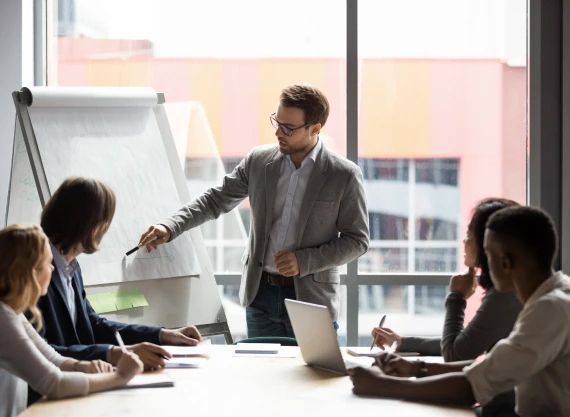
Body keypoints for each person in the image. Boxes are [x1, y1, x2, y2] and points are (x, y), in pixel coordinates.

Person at [138, 84, 369, 337]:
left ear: (315, 129)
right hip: (260, 295)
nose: (279, 133)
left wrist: (304, 261)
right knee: (260, 372)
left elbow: (357, 241)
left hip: (311, 300)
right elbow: (215, 199)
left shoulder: (343, 175)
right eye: (277, 123)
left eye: (288, 128)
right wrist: (171, 226)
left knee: (312, 374)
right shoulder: (259, 161)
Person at [349, 206, 570, 417]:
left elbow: (470, 388)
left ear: (504, 262)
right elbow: (491, 364)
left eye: (487, 253)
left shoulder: (549, 309)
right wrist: (416, 367)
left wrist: (381, 385)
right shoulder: (555, 294)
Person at [37, 177, 202, 371]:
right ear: (89, 224)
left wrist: (164, 335)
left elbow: (94, 325)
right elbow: (41, 352)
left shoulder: (71, 267)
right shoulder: (34, 270)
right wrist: (116, 354)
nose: (105, 229)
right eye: (104, 221)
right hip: (48, 391)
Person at [0, 224, 143, 417]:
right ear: (32, 271)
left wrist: (82, 366)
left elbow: (51, 358)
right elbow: (54, 384)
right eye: (48, 263)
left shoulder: (11, 313)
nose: (52, 269)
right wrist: (120, 376)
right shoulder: (3, 318)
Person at [372, 198, 522, 361]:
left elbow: (454, 354)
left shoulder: (504, 296)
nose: (464, 241)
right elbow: (464, 344)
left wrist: (456, 297)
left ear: (489, 241)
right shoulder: (509, 289)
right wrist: (401, 342)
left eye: (469, 234)